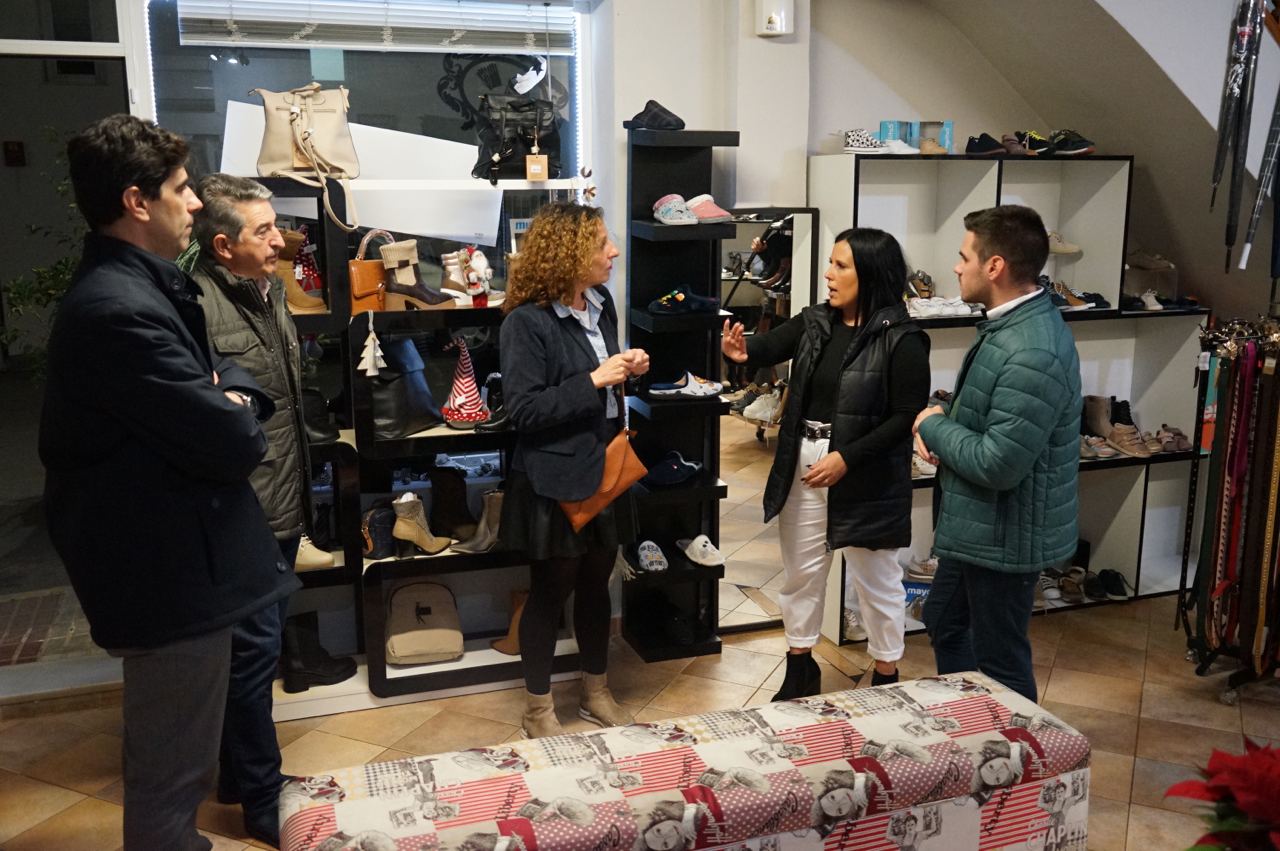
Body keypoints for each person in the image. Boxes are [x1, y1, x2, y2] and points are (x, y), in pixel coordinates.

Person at [39, 114, 298, 850]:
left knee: (181, 756)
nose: (194, 202)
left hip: (183, 559)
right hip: (165, 572)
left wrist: (225, 391)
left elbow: (226, 378)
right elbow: (233, 438)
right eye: (181, 189)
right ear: (136, 201)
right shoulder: (117, 309)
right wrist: (231, 403)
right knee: (170, 771)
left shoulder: (144, 288)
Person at [189, 173, 356, 845]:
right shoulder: (195, 305)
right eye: (263, 230)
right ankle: (262, 798)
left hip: (282, 495)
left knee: (254, 647)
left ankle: (236, 775)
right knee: (254, 651)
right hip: (243, 506)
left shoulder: (269, 289)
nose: (279, 240)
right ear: (223, 245)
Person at [722, 228, 930, 695]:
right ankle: (800, 668)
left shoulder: (903, 338)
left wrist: (847, 458)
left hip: (867, 471)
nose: (828, 274)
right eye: (831, 264)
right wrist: (741, 351)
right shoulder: (816, 321)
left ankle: (886, 676)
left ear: (869, 274)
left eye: (840, 266)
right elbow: (770, 346)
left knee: (876, 579)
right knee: (801, 571)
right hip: (806, 459)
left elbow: (904, 417)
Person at [914, 205, 1081, 703]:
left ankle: (1016, 744)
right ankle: (973, 722)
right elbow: (991, 413)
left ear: (994, 266)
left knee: (1001, 658)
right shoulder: (1007, 328)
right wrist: (946, 416)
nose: (955, 267)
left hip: (1006, 534)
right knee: (945, 621)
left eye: (964, 256)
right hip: (983, 527)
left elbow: (998, 463)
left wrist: (933, 426)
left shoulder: (1031, 349)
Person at [498, 202, 650, 737]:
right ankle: (538, 709)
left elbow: (603, 384)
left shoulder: (601, 306)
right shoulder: (525, 323)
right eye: (602, 243)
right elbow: (524, 411)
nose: (613, 252)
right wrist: (595, 380)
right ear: (568, 253)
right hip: (555, 478)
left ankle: (596, 692)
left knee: (596, 586)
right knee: (550, 591)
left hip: (606, 466)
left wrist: (627, 369)